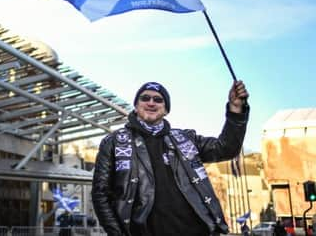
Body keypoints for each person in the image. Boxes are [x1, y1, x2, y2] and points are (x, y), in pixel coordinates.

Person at [92, 80, 249, 236]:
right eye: (145, 98)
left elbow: (226, 149)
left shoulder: (186, 138)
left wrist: (235, 111)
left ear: (166, 109)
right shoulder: (113, 142)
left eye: (158, 99)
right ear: (136, 106)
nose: (151, 103)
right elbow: (100, 194)